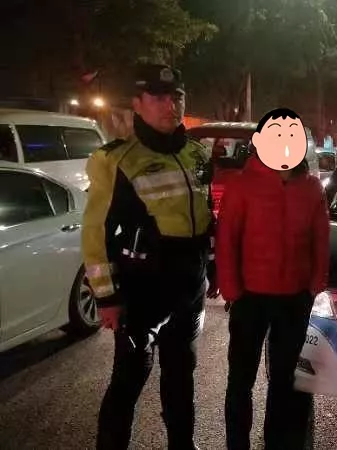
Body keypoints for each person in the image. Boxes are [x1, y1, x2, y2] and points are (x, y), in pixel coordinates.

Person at [82, 64, 217, 450]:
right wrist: (107, 297)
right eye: (158, 97)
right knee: (128, 381)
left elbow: (205, 216)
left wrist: (213, 267)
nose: (170, 105)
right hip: (144, 288)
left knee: (181, 376)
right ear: (137, 103)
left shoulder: (196, 153)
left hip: (190, 285)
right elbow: (96, 232)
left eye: (176, 96)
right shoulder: (117, 160)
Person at [217, 107, 330, 450]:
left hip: (294, 297)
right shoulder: (242, 185)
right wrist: (231, 289)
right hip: (249, 297)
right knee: (241, 379)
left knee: (285, 379)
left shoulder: (311, 187)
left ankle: (278, 442)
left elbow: (321, 238)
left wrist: (316, 282)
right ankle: (237, 443)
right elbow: (227, 240)